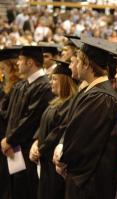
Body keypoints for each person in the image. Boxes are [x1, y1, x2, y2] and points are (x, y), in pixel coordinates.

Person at [57, 36, 117, 199]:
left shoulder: (101, 97)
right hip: (83, 179)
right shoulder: (92, 92)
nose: (74, 66)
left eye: (77, 61)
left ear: (87, 64)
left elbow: (82, 142)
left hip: (90, 183)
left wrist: (64, 159)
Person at [0, 45, 54, 199]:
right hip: (14, 149)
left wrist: (10, 140)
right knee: (15, 190)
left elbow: (30, 120)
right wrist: (7, 141)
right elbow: (10, 116)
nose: (17, 63)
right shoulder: (23, 85)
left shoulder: (44, 86)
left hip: (26, 150)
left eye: (21, 60)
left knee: (26, 190)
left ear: (30, 63)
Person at [29, 59, 78, 199]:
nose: (51, 82)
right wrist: (36, 142)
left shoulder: (70, 104)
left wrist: (40, 148)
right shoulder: (56, 102)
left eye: (55, 79)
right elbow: (44, 125)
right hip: (44, 162)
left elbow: (58, 132)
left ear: (65, 81)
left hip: (54, 165)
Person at [0, 47, 22, 199]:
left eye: (4, 68)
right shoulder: (6, 86)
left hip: (12, 141)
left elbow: (12, 116)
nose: (2, 72)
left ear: (12, 67)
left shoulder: (18, 87)